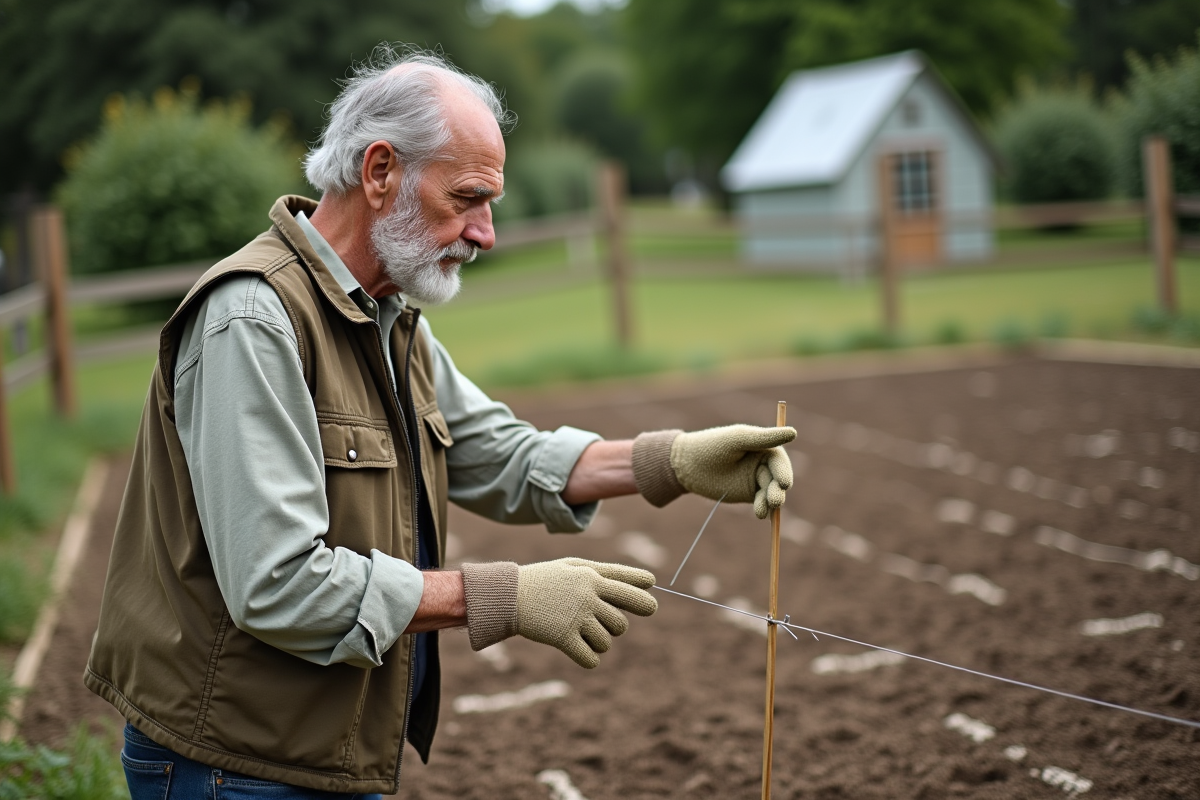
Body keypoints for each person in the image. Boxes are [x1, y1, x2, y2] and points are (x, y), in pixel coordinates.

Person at [85, 47, 797, 799]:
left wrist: (673, 461)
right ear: (381, 171)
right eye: (467, 198)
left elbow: (497, 453)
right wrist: (501, 597)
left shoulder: (389, 317)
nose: (485, 233)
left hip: (318, 749)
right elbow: (278, 584)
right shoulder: (254, 319)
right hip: (230, 764)